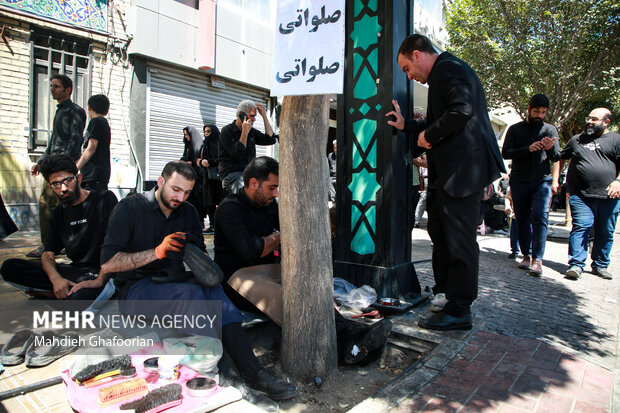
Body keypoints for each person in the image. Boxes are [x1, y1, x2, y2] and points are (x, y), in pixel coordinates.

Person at [95, 160, 297, 401]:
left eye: (188, 192)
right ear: (160, 182)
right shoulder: (130, 208)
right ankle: (226, 374)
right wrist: (157, 252)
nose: (180, 197)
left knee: (213, 290)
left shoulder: (189, 212)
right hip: (135, 290)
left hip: (173, 280)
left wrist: (195, 255)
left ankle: (254, 372)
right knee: (191, 296)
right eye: (175, 189)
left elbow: (202, 259)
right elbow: (108, 263)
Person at [215, 157, 393, 366]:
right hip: (237, 279)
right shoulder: (230, 208)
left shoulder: (270, 206)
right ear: (253, 183)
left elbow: (278, 241)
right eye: (272, 187)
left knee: (311, 287)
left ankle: (349, 335)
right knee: (289, 297)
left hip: (268, 270)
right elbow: (250, 250)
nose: (276, 193)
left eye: (278, 187)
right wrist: (282, 235)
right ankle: (348, 340)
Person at [386, 34, 505, 331]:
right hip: (449, 175)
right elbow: (437, 119)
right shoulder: (442, 74)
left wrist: (428, 136)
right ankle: (447, 296)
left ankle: (460, 309)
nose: (409, 77)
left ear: (417, 55)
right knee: (440, 233)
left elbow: (461, 110)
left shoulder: (449, 68)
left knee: (460, 241)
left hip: (464, 173)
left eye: (406, 69)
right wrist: (408, 127)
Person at [1, 154, 117, 303]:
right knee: (9, 267)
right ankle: (62, 289)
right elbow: (48, 254)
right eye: (55, 184)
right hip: (76, 271)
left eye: (67, 180)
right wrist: (56, 279)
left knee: (77, 301)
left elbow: (118, 245)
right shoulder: (58, 213)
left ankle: (63, 293)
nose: (63, 188)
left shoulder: (104, 199)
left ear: (79, 178)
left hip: (104, 272)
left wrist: (100, 279)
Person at [553, 108, 620, 280]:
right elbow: (560, 157)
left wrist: (617, 181)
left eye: (594, 119)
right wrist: (556, 180)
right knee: (581, 227)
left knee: (605, 231)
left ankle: (600, 265)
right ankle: (576, 264)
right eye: (588, 118)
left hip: (609, 197)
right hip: (581, 195)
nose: (589, 122)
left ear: (606, 122)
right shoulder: (577, 140)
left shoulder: (615, 140)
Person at [501, 94, 561, 276]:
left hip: (541, 180)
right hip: (519, 180)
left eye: (543, 112)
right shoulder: (515, 129)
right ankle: (526, 254)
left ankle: (538, 259)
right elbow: (506, 153)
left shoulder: (550, 130)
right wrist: (528, 148)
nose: (539, 115)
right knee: (522, 218)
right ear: (528, 110)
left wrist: (550, 149)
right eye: (536, 111)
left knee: (541, 216)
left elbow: (557, 157)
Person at [28, 74, 87, 258]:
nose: (52, 89)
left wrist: (65, 165)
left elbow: (76, 139)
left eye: (56, 86)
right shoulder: (59, 111)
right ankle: (54, 243)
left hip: (62, 168)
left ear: (68, 89)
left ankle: (49, 246)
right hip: (53, 165)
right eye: (51, 86)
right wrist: (41, 161)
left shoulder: (75, 111)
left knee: (50, 203)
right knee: (56, 205)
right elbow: (55, 140)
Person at [218, 100, 278, 195]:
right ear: (242, 115)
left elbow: (270, 139)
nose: (254, 119)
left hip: (249, 173)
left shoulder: (252, 131)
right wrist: (244, 132)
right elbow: (237, 155)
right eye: (252, 116)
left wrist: (264, 116)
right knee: (247, 192)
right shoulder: (227, 131)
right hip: (233, 173)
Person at [76, 94, 111, 191]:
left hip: (93, 174)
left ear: (89, 107)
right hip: (101, 173)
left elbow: (91, 148)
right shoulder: (104, 123)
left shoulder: (96, 122)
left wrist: (76, 168)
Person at [197, 124, 223, 234]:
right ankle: (212, 224)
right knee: (209, 201)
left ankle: (220, 224)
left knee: (219, 201)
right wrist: (201, 162)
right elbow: (199, 158)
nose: (207, 134)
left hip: (217, 178)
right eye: (205, 132)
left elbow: (220, 158)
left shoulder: (219, 144)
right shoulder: (204, 145)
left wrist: (210, 162)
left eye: (209, 131)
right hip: (207, 176)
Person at [181, 126, 207, 226]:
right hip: (189, 175)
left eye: (188, 134)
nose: (186, 137)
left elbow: (198, 159)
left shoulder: (199, 145)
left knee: (198, 199)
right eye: (185, 135)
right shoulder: (188, 146)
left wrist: (192, 162)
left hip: (198, 176)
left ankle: (200, 220)